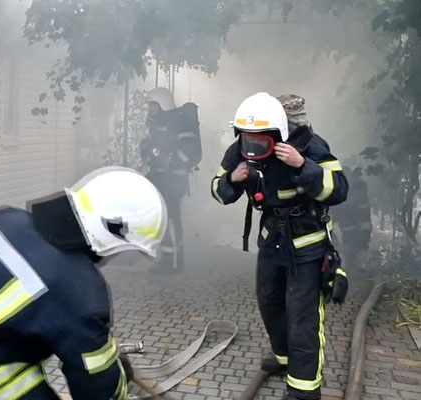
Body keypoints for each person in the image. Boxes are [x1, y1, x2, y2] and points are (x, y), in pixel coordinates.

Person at [0, 167, 168, 400]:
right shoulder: (81, 291)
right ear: (112, 236)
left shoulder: (3, 217)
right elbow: (96, 390)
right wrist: (119, 376)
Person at [211, 93, 348, 400]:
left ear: (279, 133)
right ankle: (285, 358)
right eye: (249, 139)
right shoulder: (241, 148)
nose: (253, 146)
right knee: (270, 302)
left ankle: (303, 390)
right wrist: (232, 179)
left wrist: (304, 166)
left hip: (308, 243)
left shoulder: (310, 146)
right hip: (272, 239)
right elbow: (219, 191)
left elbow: (339, 190)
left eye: (262, 141)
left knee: (302, 316)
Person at [140, 87, 202, 274]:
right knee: (160, 218)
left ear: (163, 104)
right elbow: (147, 146)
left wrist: (172, 160)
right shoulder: (154, 122)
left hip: (174, 178)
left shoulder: (179, 122)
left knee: (171, 218)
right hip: (158, 176)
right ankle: (166, 258)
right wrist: (150, 155)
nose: (149, 109)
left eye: (153, 105)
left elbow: (191, 151)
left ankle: (174, 262)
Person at [335, 165, 372, 272]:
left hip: (354, 230)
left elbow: (365, 220)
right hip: (346, 228)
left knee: (353, 253)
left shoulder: (359, 190)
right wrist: (337, 244)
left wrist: (364, 247)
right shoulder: (334, 192)